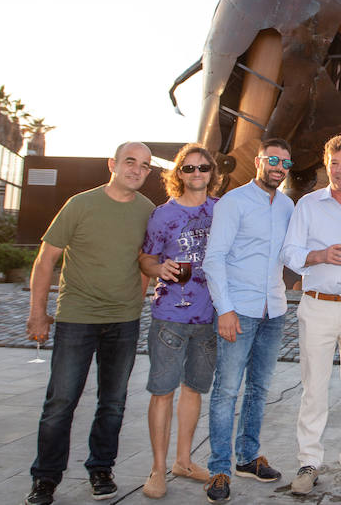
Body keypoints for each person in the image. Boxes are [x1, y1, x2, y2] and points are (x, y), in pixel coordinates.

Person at [24, 142, 155, 505]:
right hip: (77, 320)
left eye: (145, 165)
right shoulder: (80, 205)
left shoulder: (148, 210)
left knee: (112, 402)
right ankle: (45, 479)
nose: (137, 170)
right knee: (61, 402)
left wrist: (136, 299)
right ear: (112, 164)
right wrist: (38, 312)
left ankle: (101, 470)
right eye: (130, 162)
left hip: (124, 322)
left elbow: (145, 261)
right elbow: (45, 259)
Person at [280, 135, 341, 495]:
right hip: (317, 305)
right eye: (334, 163)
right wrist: (320, 256)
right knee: (314, 388)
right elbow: (290, 253)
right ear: (327, 166)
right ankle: (308, 462)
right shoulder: (307, 205)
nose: (340, 170)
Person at [201, 138, 295, 503]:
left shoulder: (288, 206)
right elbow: (215, 258)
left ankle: (248, 457)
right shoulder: (233, 202)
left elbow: (291, 254)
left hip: (274, 309)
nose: (278, 167)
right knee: (226, 391)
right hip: (237, 310)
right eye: (273, 159)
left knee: (259, 389)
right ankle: (219, 469)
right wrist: (223, 309)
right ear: (259, 161)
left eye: (285, 162)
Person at [138, 143, 220, 498]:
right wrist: (159, 268)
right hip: (169, 316)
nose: (197, 173)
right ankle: (158, 469)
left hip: (209, 316)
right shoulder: (162, 215)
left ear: (212, 174)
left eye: (203, 168)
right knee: (162, 392)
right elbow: (145, 259)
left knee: (194, 389)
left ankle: (183, 461)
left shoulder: (222, 210)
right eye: (189, 168)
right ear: (178, 175)